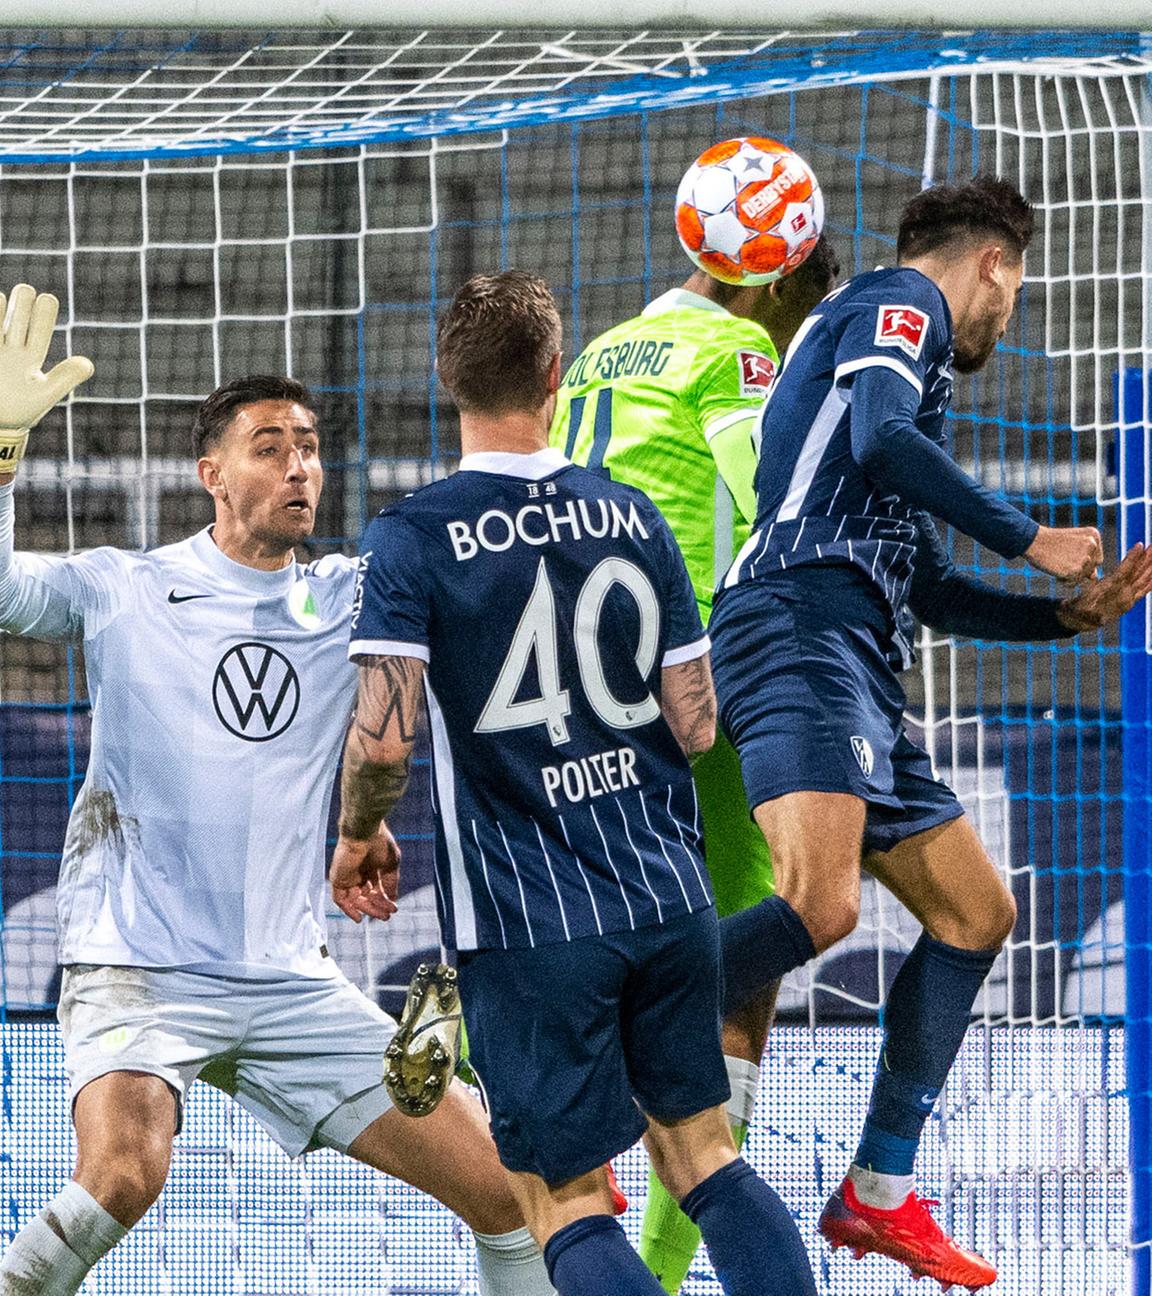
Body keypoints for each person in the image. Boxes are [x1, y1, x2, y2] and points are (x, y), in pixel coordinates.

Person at [0, 285, 554, 1296]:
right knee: (123, 1177)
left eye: (308, 445)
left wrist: (361, 828)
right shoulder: (124, 584)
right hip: (139, 963)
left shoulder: (346, 594)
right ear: (210, 474)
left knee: (512, 1198)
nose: (299, 464)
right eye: (269, 445)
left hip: (291, 980)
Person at [330, 269, 818, 1296]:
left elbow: (383, 743)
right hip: (667, 897)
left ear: (446, 381)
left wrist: (359, 834)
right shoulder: (634, 516)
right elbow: (696, 724)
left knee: (564, 1201)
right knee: (705, 1161)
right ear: (556, 376)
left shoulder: (412, 537)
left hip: (528, 921)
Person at [708, 174, 1152, 1291]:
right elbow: (881, 436)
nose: (1010, 315)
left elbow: (933, 590)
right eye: (1017, 287)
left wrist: (1064, 618)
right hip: (798, 623)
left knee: (976, 911)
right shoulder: (895, 305)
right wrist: (1030, 536)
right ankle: (582, 1015)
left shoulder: (910, 390)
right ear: (994, 262)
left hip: (859, 653)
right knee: (821, 905)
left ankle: (879, 1191)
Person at [549, 234, 840, 1292]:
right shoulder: (738, 351)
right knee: (767, 933)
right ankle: (671, 1267)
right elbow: (770, 491)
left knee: (591, 932)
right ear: (766, 281)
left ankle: (496, 1038)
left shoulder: (598, 354)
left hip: (577, 674)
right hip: (701, 667)